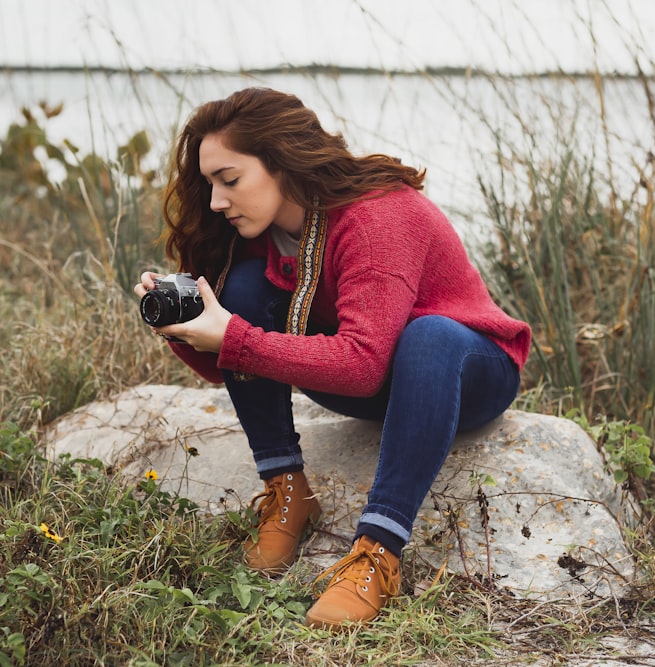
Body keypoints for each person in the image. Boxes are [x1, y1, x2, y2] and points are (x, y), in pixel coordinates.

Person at [134, 87, 531, 628]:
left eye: (230, 181)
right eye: (209, 184)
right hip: (375, 381)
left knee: (429, 335)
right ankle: (287, 492)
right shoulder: (265, 232)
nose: (216, 202)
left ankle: (377, 553)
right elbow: (230, 364)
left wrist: (235, 337)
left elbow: (363, 364)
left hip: (465, 369)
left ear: (282, 161)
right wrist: (187, 328)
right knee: (246, 287)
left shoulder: (377, 216)